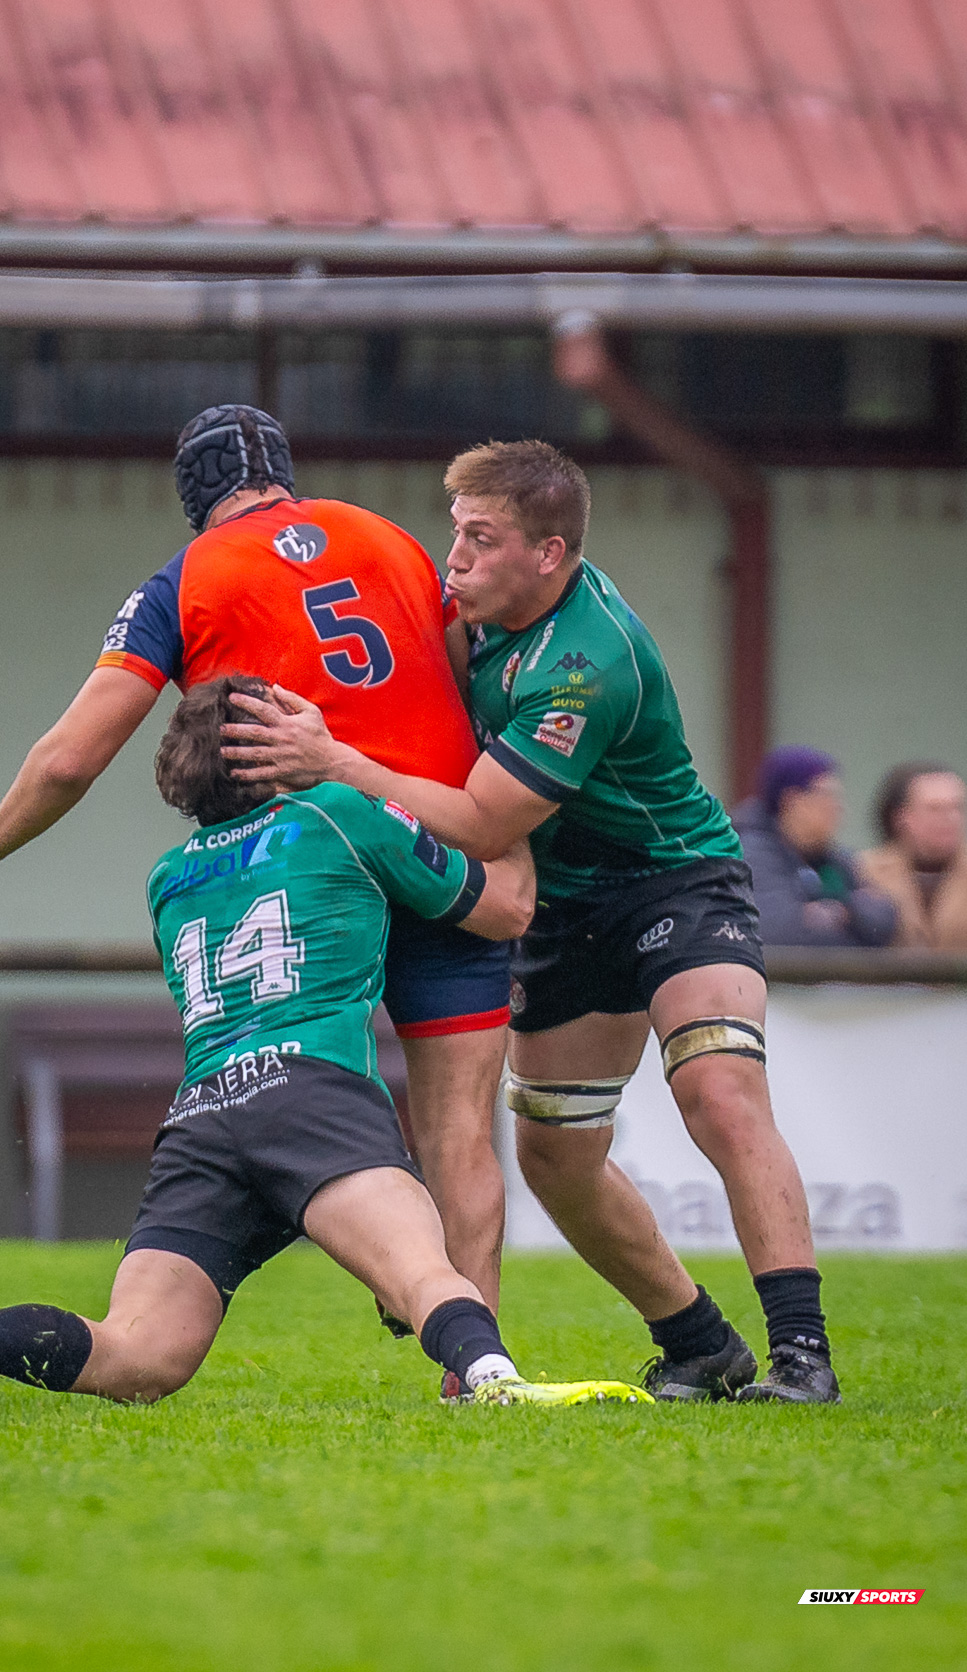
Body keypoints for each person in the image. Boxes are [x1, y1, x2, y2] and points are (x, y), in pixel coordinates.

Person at [224, 440, 841, 1404]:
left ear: (547, 554)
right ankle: (698, 1343)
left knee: (718, 1092)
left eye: (481, 537)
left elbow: (481, 820)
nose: (454, 557)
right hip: (562, 912)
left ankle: (803, 1358)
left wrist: (331, 760)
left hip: (673, 882)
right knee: (555, 1154)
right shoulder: (468, 607)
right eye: (455, 531)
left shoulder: (585, 662)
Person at [0, 677, 651, 1415]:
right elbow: (505, 910)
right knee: (421, 1273)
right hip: (311, 1095)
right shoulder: (339, 812)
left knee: (140, 1356)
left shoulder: (167, 878)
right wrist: (507, 820)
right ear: (269, 747)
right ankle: (495, 1382)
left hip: (204, 1115)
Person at [0, 406, 512, 1313]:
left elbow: (75, 755)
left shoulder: (186, 578)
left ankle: (349, 1260)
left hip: (308, 866)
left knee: (291, 1080)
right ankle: (471, 1358)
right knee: (460, 1129)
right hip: (436, 841)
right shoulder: (390, 538)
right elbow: (470, 679)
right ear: (285, 471)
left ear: (194, 500)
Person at [733, 747, 897, 947]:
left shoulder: (834, 859)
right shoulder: (750, 855)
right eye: (827, 796)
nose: (839, 807)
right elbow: (777, 933)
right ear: (792, 800)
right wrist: (851, 922)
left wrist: (842, 912)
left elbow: (885, 919)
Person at [857, 762, 967, 952]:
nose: (950, 818)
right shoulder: (864, 871)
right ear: (901, 816)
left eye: (956, 808)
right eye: (935, 809)